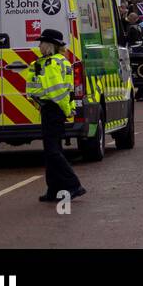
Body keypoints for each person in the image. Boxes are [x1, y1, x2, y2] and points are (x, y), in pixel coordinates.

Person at [26, 28, 85, 203]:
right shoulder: (60, 61)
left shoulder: (51, 64)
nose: (39, 45)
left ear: (48, 45)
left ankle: (73, 184)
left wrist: (60, 107)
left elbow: (55, 91)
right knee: (53, 150)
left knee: (52, 151)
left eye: (41, 42)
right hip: (55, 109)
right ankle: (54, 188)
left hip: (52, 108)